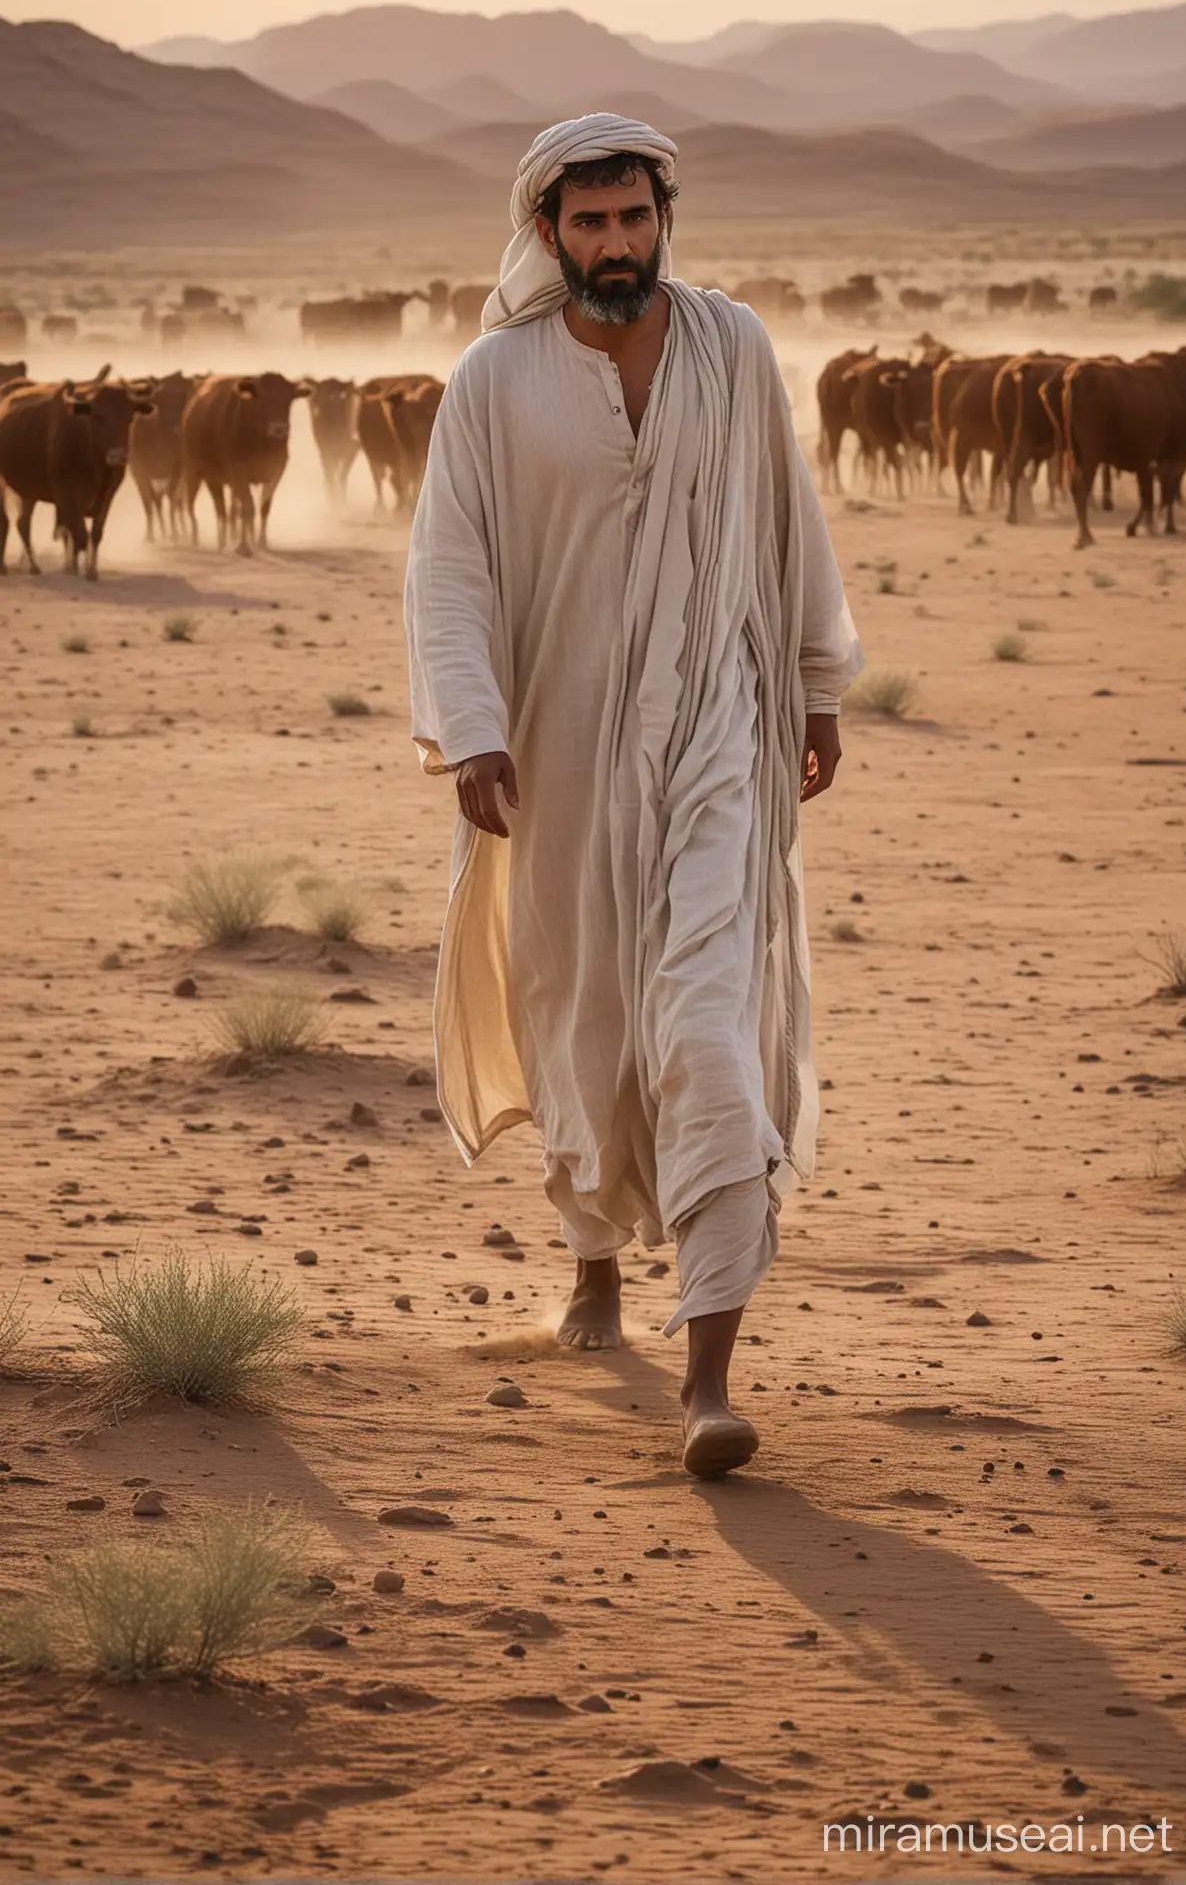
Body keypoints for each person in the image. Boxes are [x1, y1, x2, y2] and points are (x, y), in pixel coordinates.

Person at [405, 114, 863, 1477]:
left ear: (666, 217)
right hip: (559, 746)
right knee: (585, 1018)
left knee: (708, 1023)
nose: (617, 245)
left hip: (720, 729)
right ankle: (597, 1259)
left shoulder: (733, 347)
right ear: (548, 233)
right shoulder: (494, 381)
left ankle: (708, 1376)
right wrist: (475, 730)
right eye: (589, 223)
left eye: (635, 219)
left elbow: (791, 519)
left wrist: (817, 681)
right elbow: (451, 569)